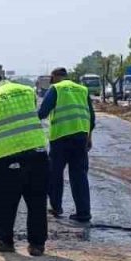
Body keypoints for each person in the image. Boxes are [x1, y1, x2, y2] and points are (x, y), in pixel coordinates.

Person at [0, 68, 50, 256]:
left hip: (9, 157)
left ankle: (3, 241)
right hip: (38, 153)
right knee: (37, 201)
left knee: (4, 202)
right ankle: (37, 245)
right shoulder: (27, 91)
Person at [39, 67, 95, 225]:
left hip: (61, 138)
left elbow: (43, 112)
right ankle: (83, 213)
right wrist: (89, 137)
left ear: (55, 77)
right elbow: (91, 116)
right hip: (80, 138)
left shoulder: (56, 89)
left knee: (54, 174)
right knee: (79, 175)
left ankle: (56, 207)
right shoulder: (82, 89)